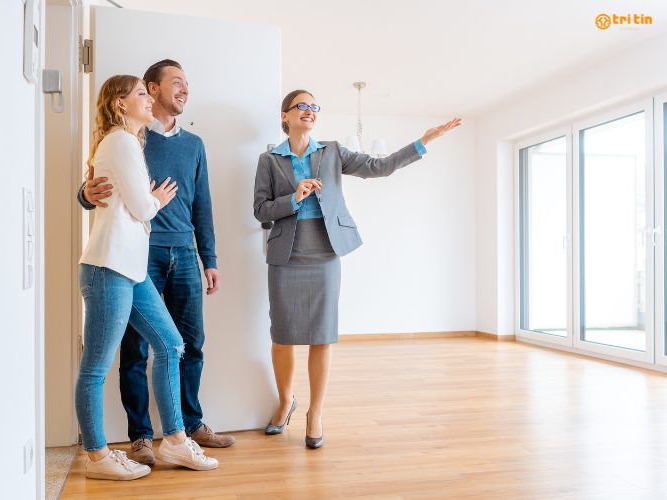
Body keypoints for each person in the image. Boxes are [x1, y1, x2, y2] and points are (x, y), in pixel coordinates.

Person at [253, 89, 460, 448]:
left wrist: (423, 141)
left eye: (314, 106)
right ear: (285, 115)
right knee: (282, 336)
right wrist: (294, 197)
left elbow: (380, 167)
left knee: (322, 334)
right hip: (285, 254)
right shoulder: (269, 160)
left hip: (325, 250)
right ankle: (286, 402)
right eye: (302, 105)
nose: (310, 110)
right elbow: (260, 210)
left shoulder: (333, 151)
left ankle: (315, 413)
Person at [79, 60, 233, 466]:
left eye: (188, 83)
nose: (185, 89)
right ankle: (141, 437)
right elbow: (101, 181)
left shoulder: (191, 145)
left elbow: (202, 205)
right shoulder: (130, 137)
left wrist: (209, 258)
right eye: (175, 82)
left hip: (183, 252)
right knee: (134, 350)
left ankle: (187, 428)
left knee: (186, 344)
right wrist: (84, 194)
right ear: (151, 88)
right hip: (136, 255)